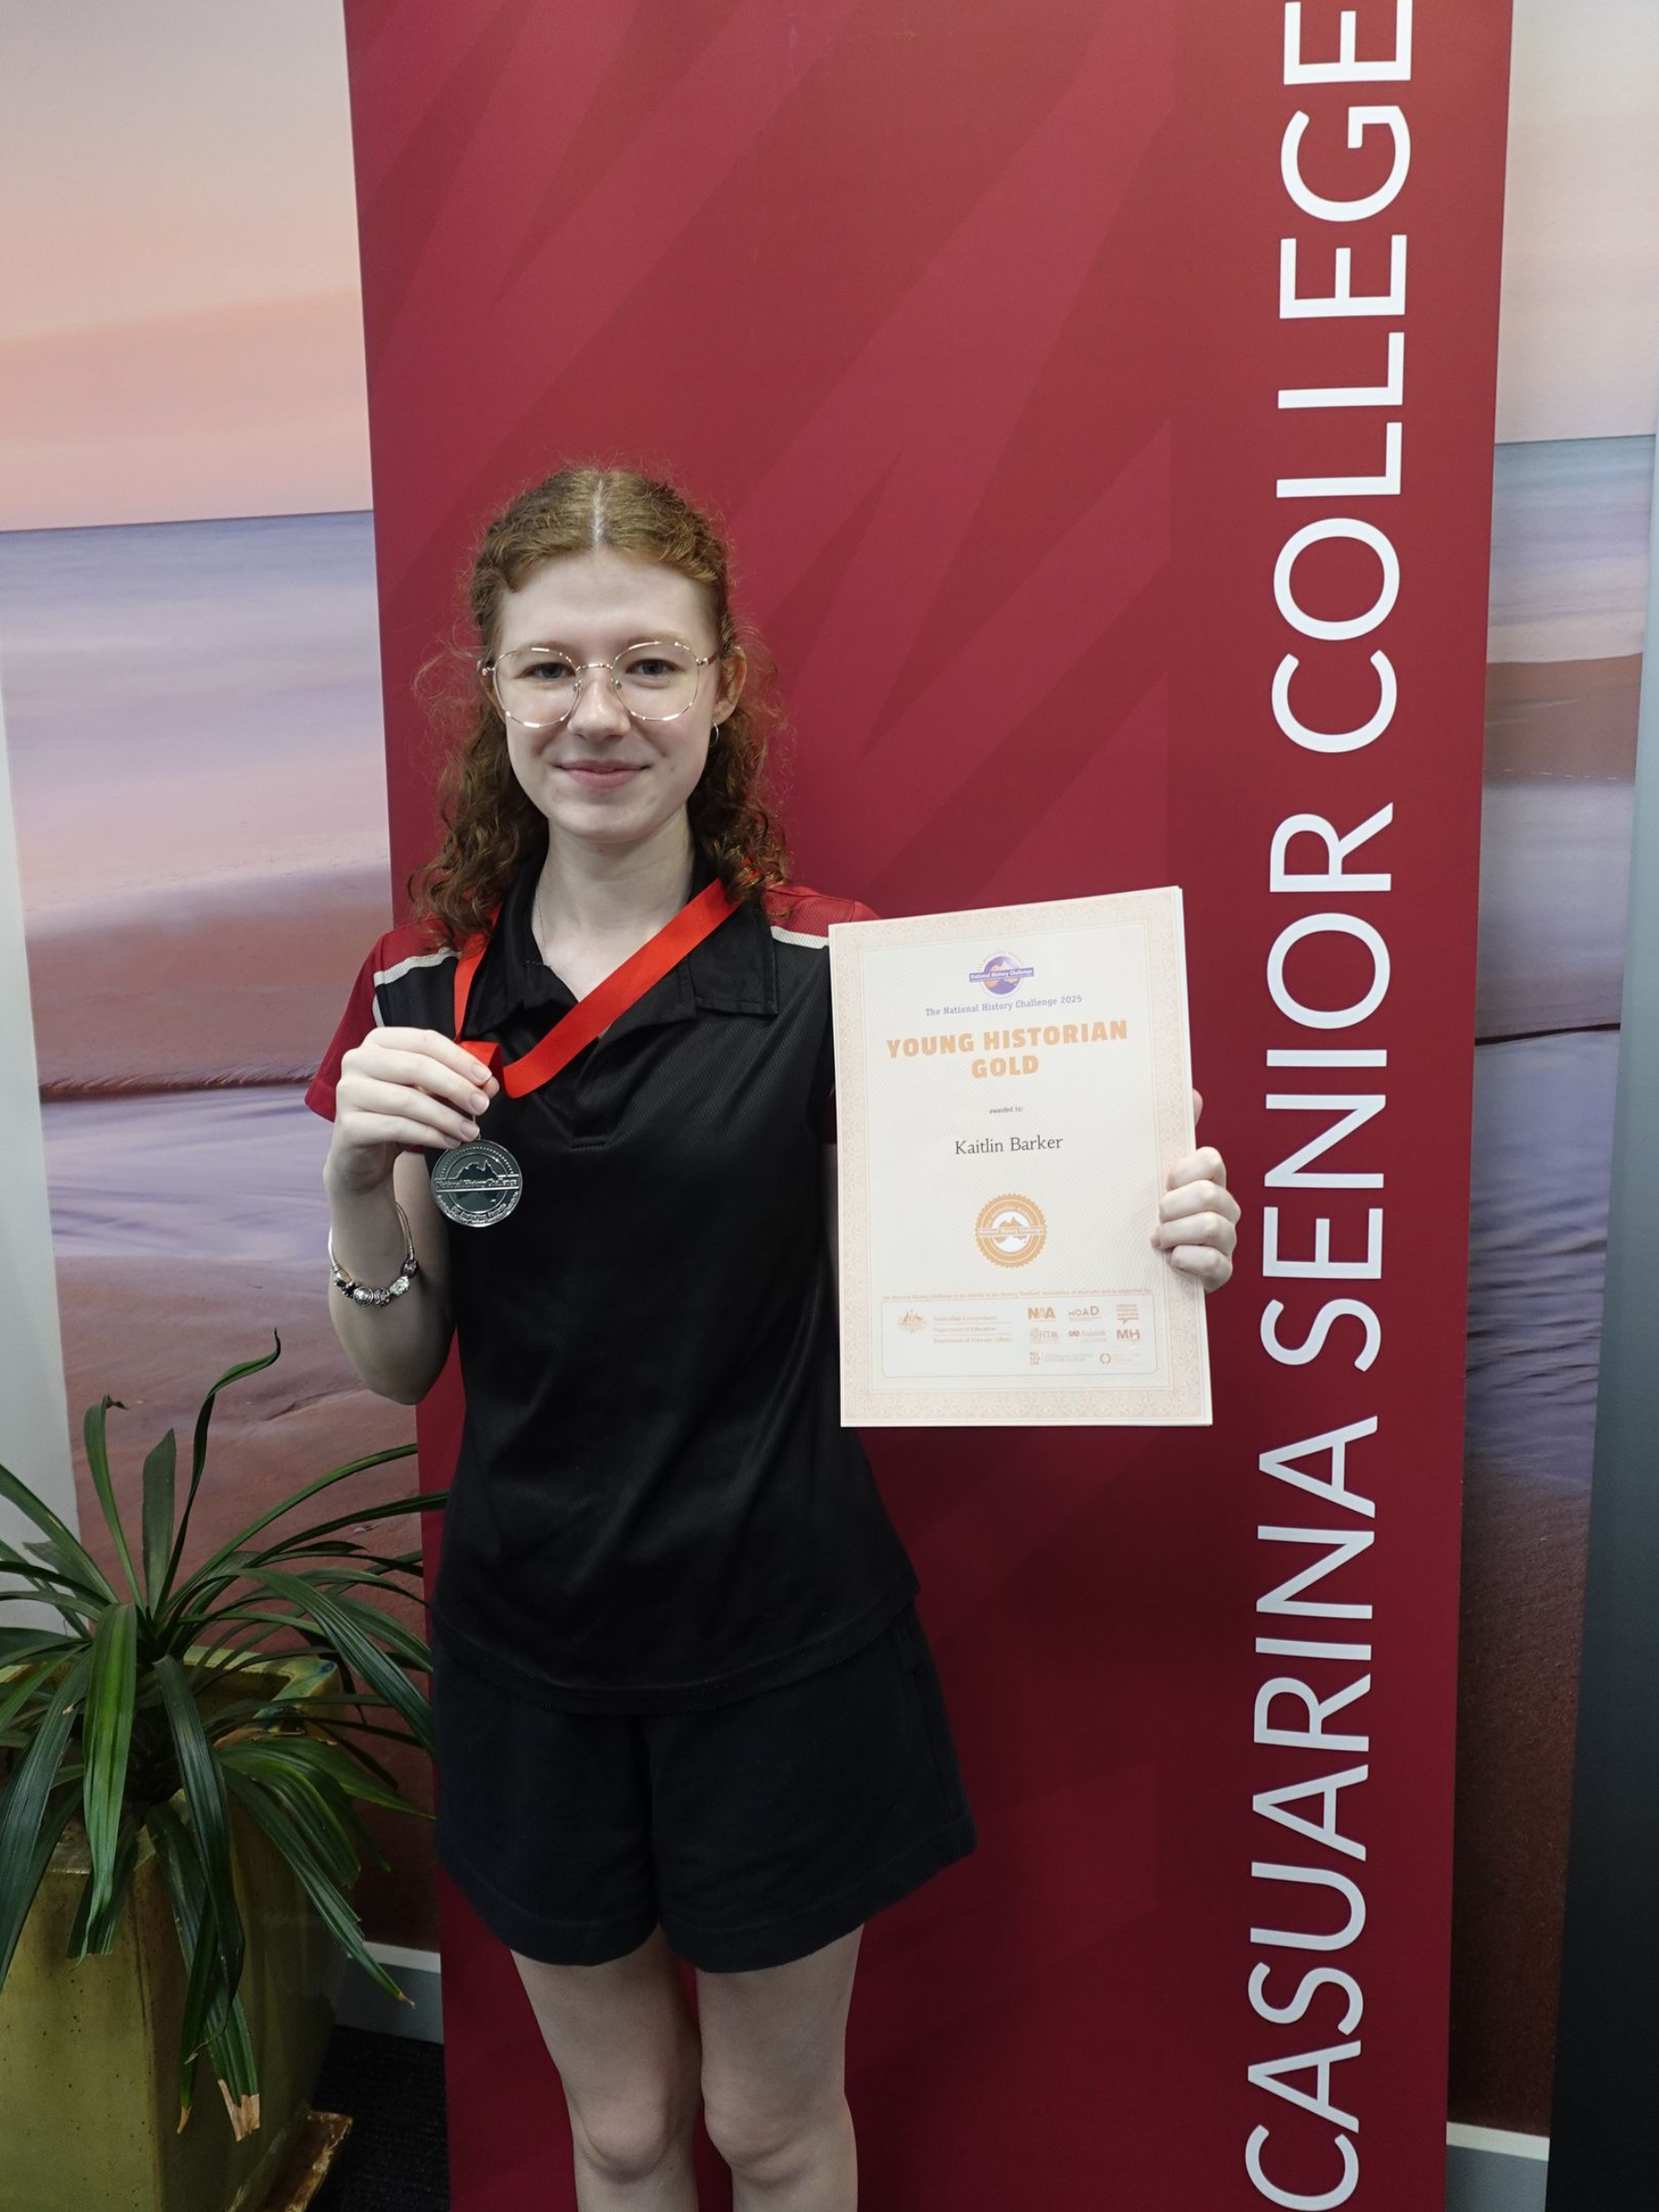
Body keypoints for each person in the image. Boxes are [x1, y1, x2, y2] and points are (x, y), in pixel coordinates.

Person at [306, 465, 1240, 2212]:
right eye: (551, 669)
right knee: (624, 2133)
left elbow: (1008, 1209)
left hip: (783, 1647)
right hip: (531, 1652)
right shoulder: (419, 990)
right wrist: (359, 1180)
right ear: (490, 689)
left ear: (723, 689)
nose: (599, 714)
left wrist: (1150, 1227)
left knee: (772, 2129)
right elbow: (393, 1363)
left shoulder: (841, 979)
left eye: (650, 666)